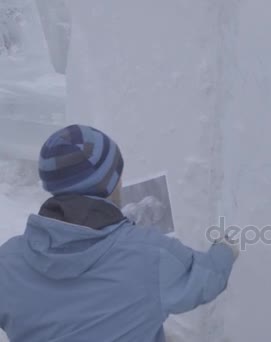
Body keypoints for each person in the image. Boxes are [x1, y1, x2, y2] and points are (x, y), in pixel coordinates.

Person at [0, 124, 239, 342]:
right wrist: (226, 249)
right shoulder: (152, 256)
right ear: (109, 183)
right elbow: (205, 279)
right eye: (118, 173)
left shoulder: (8, 261)